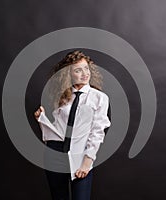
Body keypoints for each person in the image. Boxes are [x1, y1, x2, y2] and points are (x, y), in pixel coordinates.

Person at [34, 50, 111, 200]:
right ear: (68, 74)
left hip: (81, 156)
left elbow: (97, 132)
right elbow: (58, 130)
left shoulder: (99, 98)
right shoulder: (63, 97)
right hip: (55, 154)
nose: (84, 73)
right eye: (78, 70)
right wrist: (41, 120)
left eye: (86, 68)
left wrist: (86, 163)